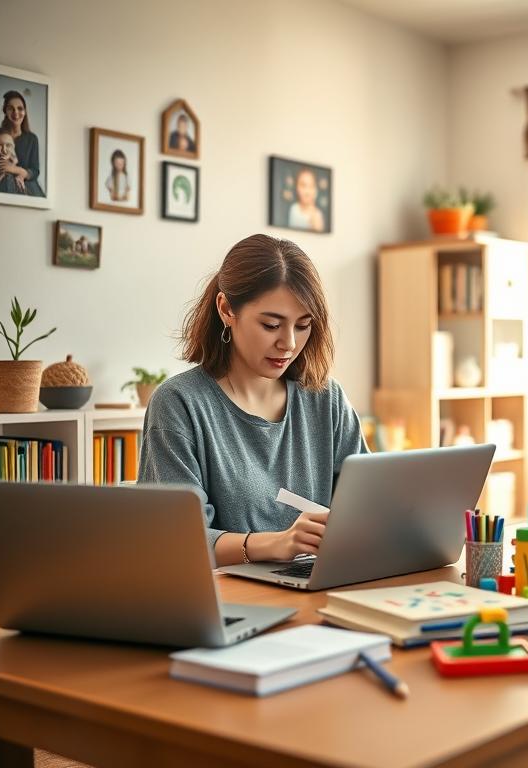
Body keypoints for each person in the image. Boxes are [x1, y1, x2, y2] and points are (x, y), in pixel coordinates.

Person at [138, 234, 368, 567]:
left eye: (303, 325)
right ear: (226, 309)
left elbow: (371, 507)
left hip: (319, 581)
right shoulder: (178, 404)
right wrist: (275, 544)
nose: (289, 343)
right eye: (271, 325)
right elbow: (176, 540)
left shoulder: (326, 399)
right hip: (226, 592)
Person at [0, 90, 44, 197]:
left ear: (25, 111)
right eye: (11, 108)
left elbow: (35, 171)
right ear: (5, 111)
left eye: (20, 108)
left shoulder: (32, 139)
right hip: (2, 186)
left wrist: (16, 170)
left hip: (27, 188)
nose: (16, 113)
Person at [287, 167, 325, 231]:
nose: (307, 191)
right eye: (303, 185)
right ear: (296, 187)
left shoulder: (317, 215)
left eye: (311, 186)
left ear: (316, 189)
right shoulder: (293, 208)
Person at [0, 127, 24, 193]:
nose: (4, 150)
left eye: (8, 145)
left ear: (13, 147)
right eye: (0, 145)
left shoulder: (14, 159)